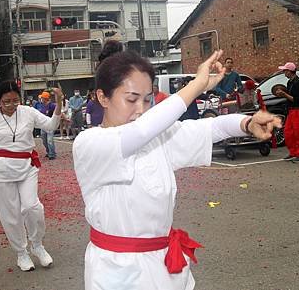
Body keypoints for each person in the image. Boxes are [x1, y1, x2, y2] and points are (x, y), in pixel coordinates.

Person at [73, 43, 281, 290]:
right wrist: (197, 85)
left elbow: (207, 128)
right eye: (131, 99)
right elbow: (141, 130)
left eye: (148, 99)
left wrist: (246, 123)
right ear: (102, 97)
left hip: (165, 264)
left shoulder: (158, 138)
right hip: (117, 271)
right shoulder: (89, 143)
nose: (141, 109)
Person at [0, 81, 62, 272]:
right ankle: (21, 253)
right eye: (7, 102)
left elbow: (50, 126)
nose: (11, 106)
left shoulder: (28, 112)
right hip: (1, 170)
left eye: (15, 101)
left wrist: (59, 102)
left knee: (32, 207)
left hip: (27, 166)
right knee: (10, 214)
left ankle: (37, 245)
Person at [275, 62, 299, 163]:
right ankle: (293, 152)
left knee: (298, 133)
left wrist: (284, 94)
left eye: (285, 70)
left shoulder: (298, 83)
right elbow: (289, 97)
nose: (284, 72)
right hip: (291, 110)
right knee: (288, 132)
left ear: (290, 71)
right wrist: (281, 93)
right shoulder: (290, 82)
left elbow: (295, 99)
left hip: (298, 110)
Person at [34, 91, 57, 159]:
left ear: (45, 98)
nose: (41, 99)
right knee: (44, 140)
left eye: (42, 98)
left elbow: (58, 112)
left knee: (50, 140)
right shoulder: (41, 105)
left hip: (50, 125)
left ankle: (52, 154)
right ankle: (48, 151)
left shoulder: (52, 105)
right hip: (43, 125)